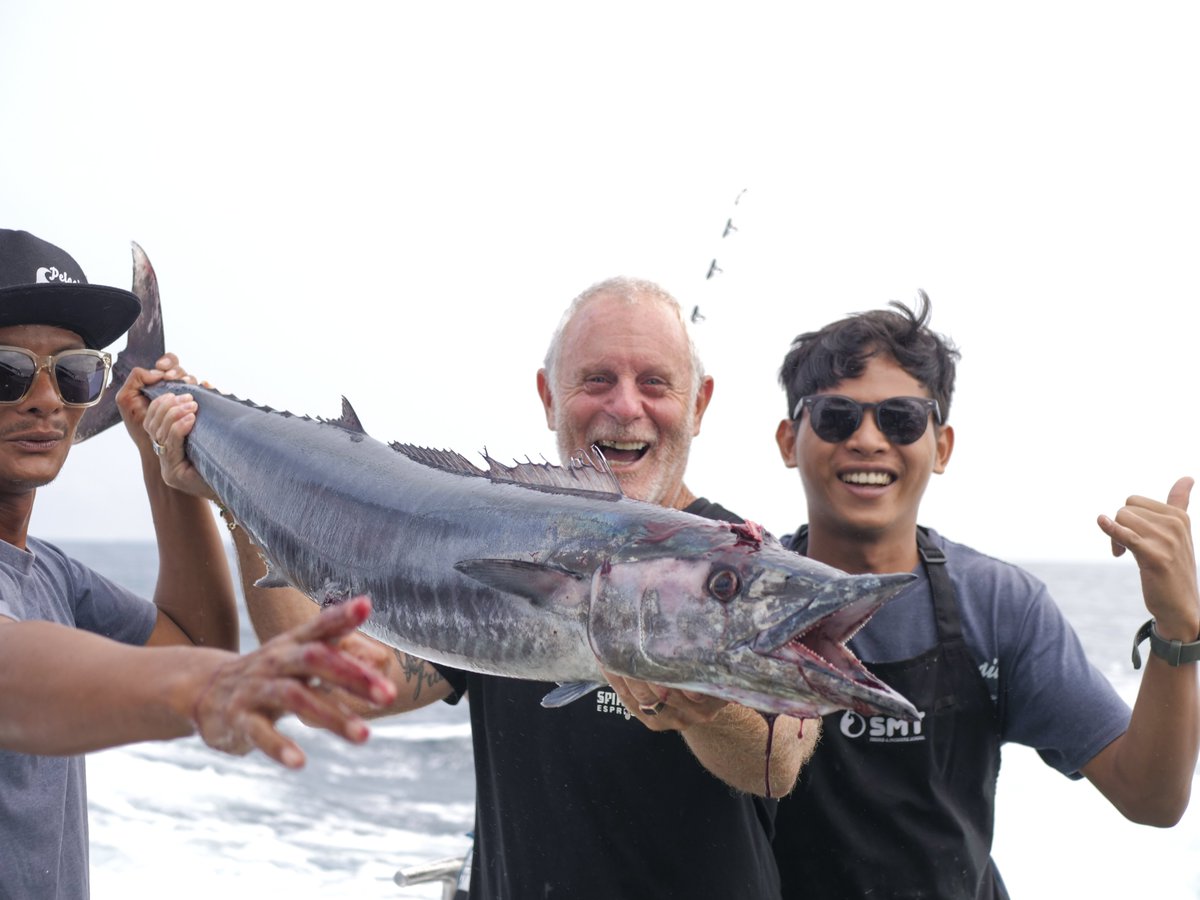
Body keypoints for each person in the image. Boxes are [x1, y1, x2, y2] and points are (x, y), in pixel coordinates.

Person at [145, 276, 820, 899]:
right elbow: (334, 678)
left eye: (655, 382)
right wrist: (231, 498)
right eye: (596, 379)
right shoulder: (494, 537)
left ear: (698, 405)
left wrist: (702, 703)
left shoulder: (738, 562)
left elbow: (778, 760)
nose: (625, 406)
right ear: (549, 396)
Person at [0, 229, 397, 900]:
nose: (46, 400)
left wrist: (168, 462)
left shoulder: (50, 576)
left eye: (73, 373)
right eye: (7, 371)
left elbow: (198, 640)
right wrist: (202, 687)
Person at [768, 291, 1199, 899]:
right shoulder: (738, 599)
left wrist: (1178, 630)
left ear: (941, 446)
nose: (868, 440)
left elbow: (1151, 796)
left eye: (901, 418)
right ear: (790, 440)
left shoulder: (999, 607)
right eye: (837, 416)